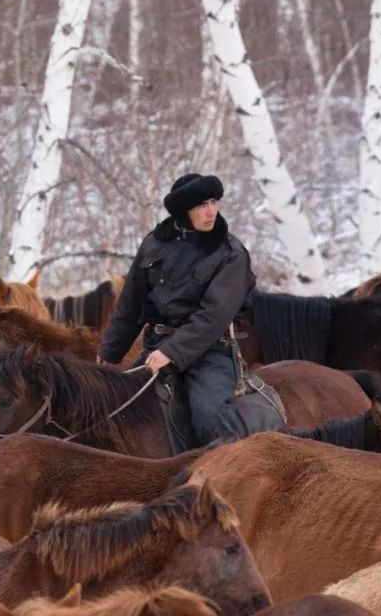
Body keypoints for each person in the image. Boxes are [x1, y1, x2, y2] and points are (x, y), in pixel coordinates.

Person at [96, 173, 281, 451]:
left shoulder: (231, 253)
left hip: (209, 354)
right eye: (201, 205)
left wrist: (171, 351)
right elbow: (131, 303)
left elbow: (214, 316)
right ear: (184, 210)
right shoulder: (154, 244)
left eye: (214, 202)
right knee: (116, 409)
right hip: (156, 348)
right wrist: (109, 351)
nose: (211, 211)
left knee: (210, 415)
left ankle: (227, 469)